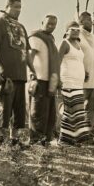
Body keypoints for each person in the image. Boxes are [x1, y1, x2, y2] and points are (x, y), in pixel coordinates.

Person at [0, 0, 33, 148]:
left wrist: (32, 70)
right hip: (5, 74)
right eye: (15, 6)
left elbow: (26, 52)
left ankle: (14, 139)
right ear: (7, 6)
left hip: (20, 74)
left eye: (20, 7)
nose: (18, 10)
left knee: (18, 108)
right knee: (3, 106)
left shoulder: (21, 27)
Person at [57, 21, 92, 145]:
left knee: (75, 111)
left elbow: (78, 61)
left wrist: (85, 73)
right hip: (68, 81)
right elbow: (58, 60)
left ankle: (70, 139)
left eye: (78, 29)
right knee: (72, 110)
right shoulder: (64, 43)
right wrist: (57, 79)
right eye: (73, 29)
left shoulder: (78, 43)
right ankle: (66, 139)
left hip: (78, 82)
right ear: (67, 31)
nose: (76, 31)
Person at [28, 15, 59, 146]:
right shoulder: (36, 36)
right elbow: (30, 56)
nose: (51, 26)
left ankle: (46, 138)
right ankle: (35, 139)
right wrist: (32, 74)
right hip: (39, 79)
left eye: (54, 24)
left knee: (50, 112)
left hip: (50, 80)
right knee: (38, 111)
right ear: (42, 22)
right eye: (48, 23)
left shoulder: (50, 39)